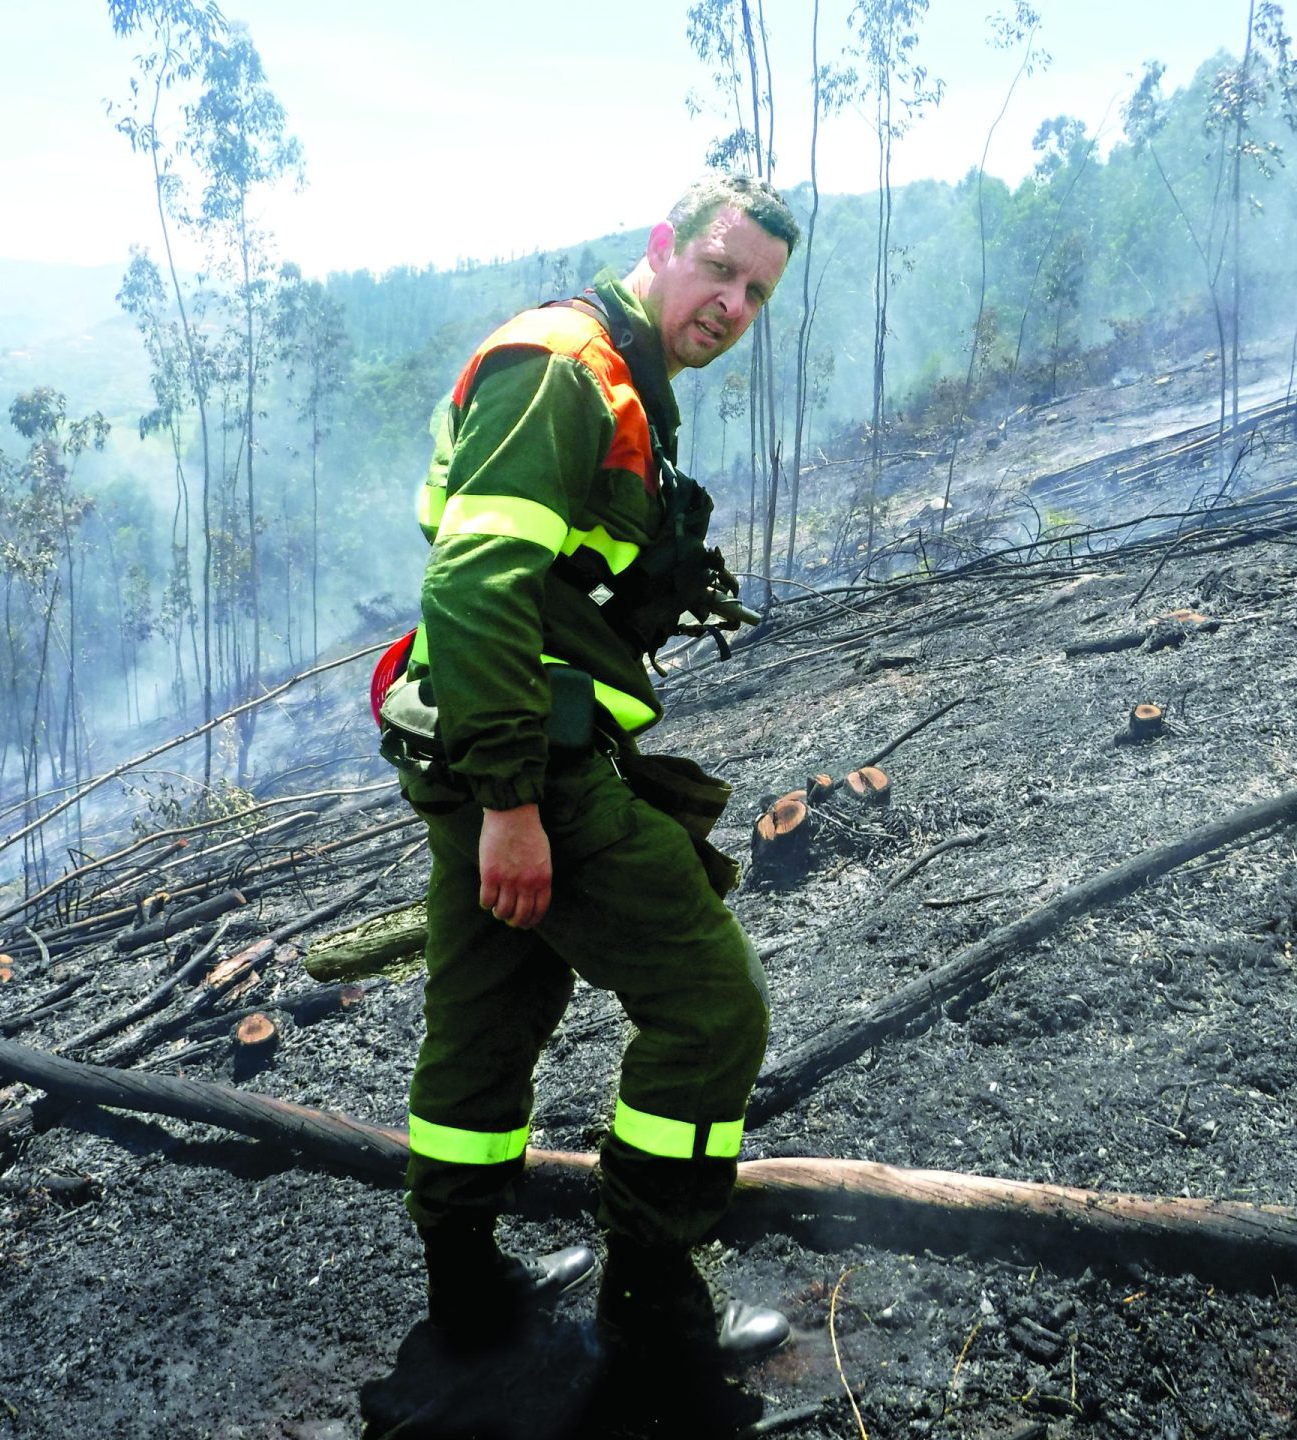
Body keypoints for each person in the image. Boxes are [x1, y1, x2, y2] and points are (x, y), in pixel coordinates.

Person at [376, 174, 798, 1364]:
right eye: (720, 268)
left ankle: (464, 1284)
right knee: (712, 1012)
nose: (732, 302)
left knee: (491, 1008)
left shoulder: (624, 380)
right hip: (524, 766)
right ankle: (651, 1301)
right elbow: (472, 585)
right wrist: (515, 801)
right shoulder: (567, 369)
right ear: (663, 245)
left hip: (493, 750)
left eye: (756, 292)